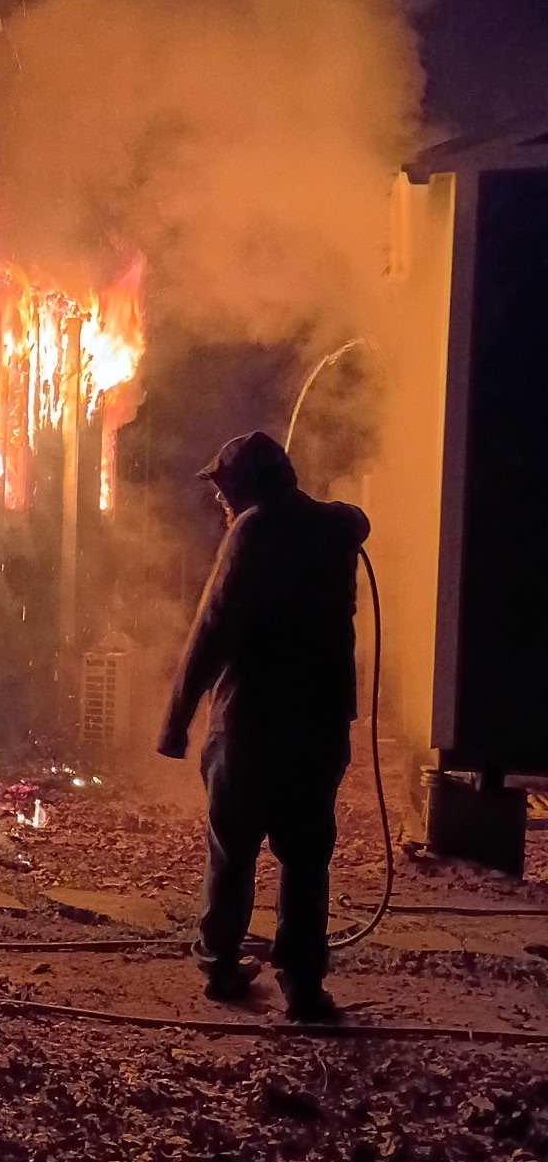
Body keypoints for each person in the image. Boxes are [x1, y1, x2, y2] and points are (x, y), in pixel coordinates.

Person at [157, 430, 370, 1024]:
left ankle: (220, 964)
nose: (219, 499)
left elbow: (211, 628)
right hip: (318, 725)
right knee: (305, 856)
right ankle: (302, 985)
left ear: (247, 485)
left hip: (249, 723)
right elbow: (357, 519)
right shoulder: (334, 528)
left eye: (224, 487)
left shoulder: (250, 531)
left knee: (233, 848)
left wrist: (175, 722)